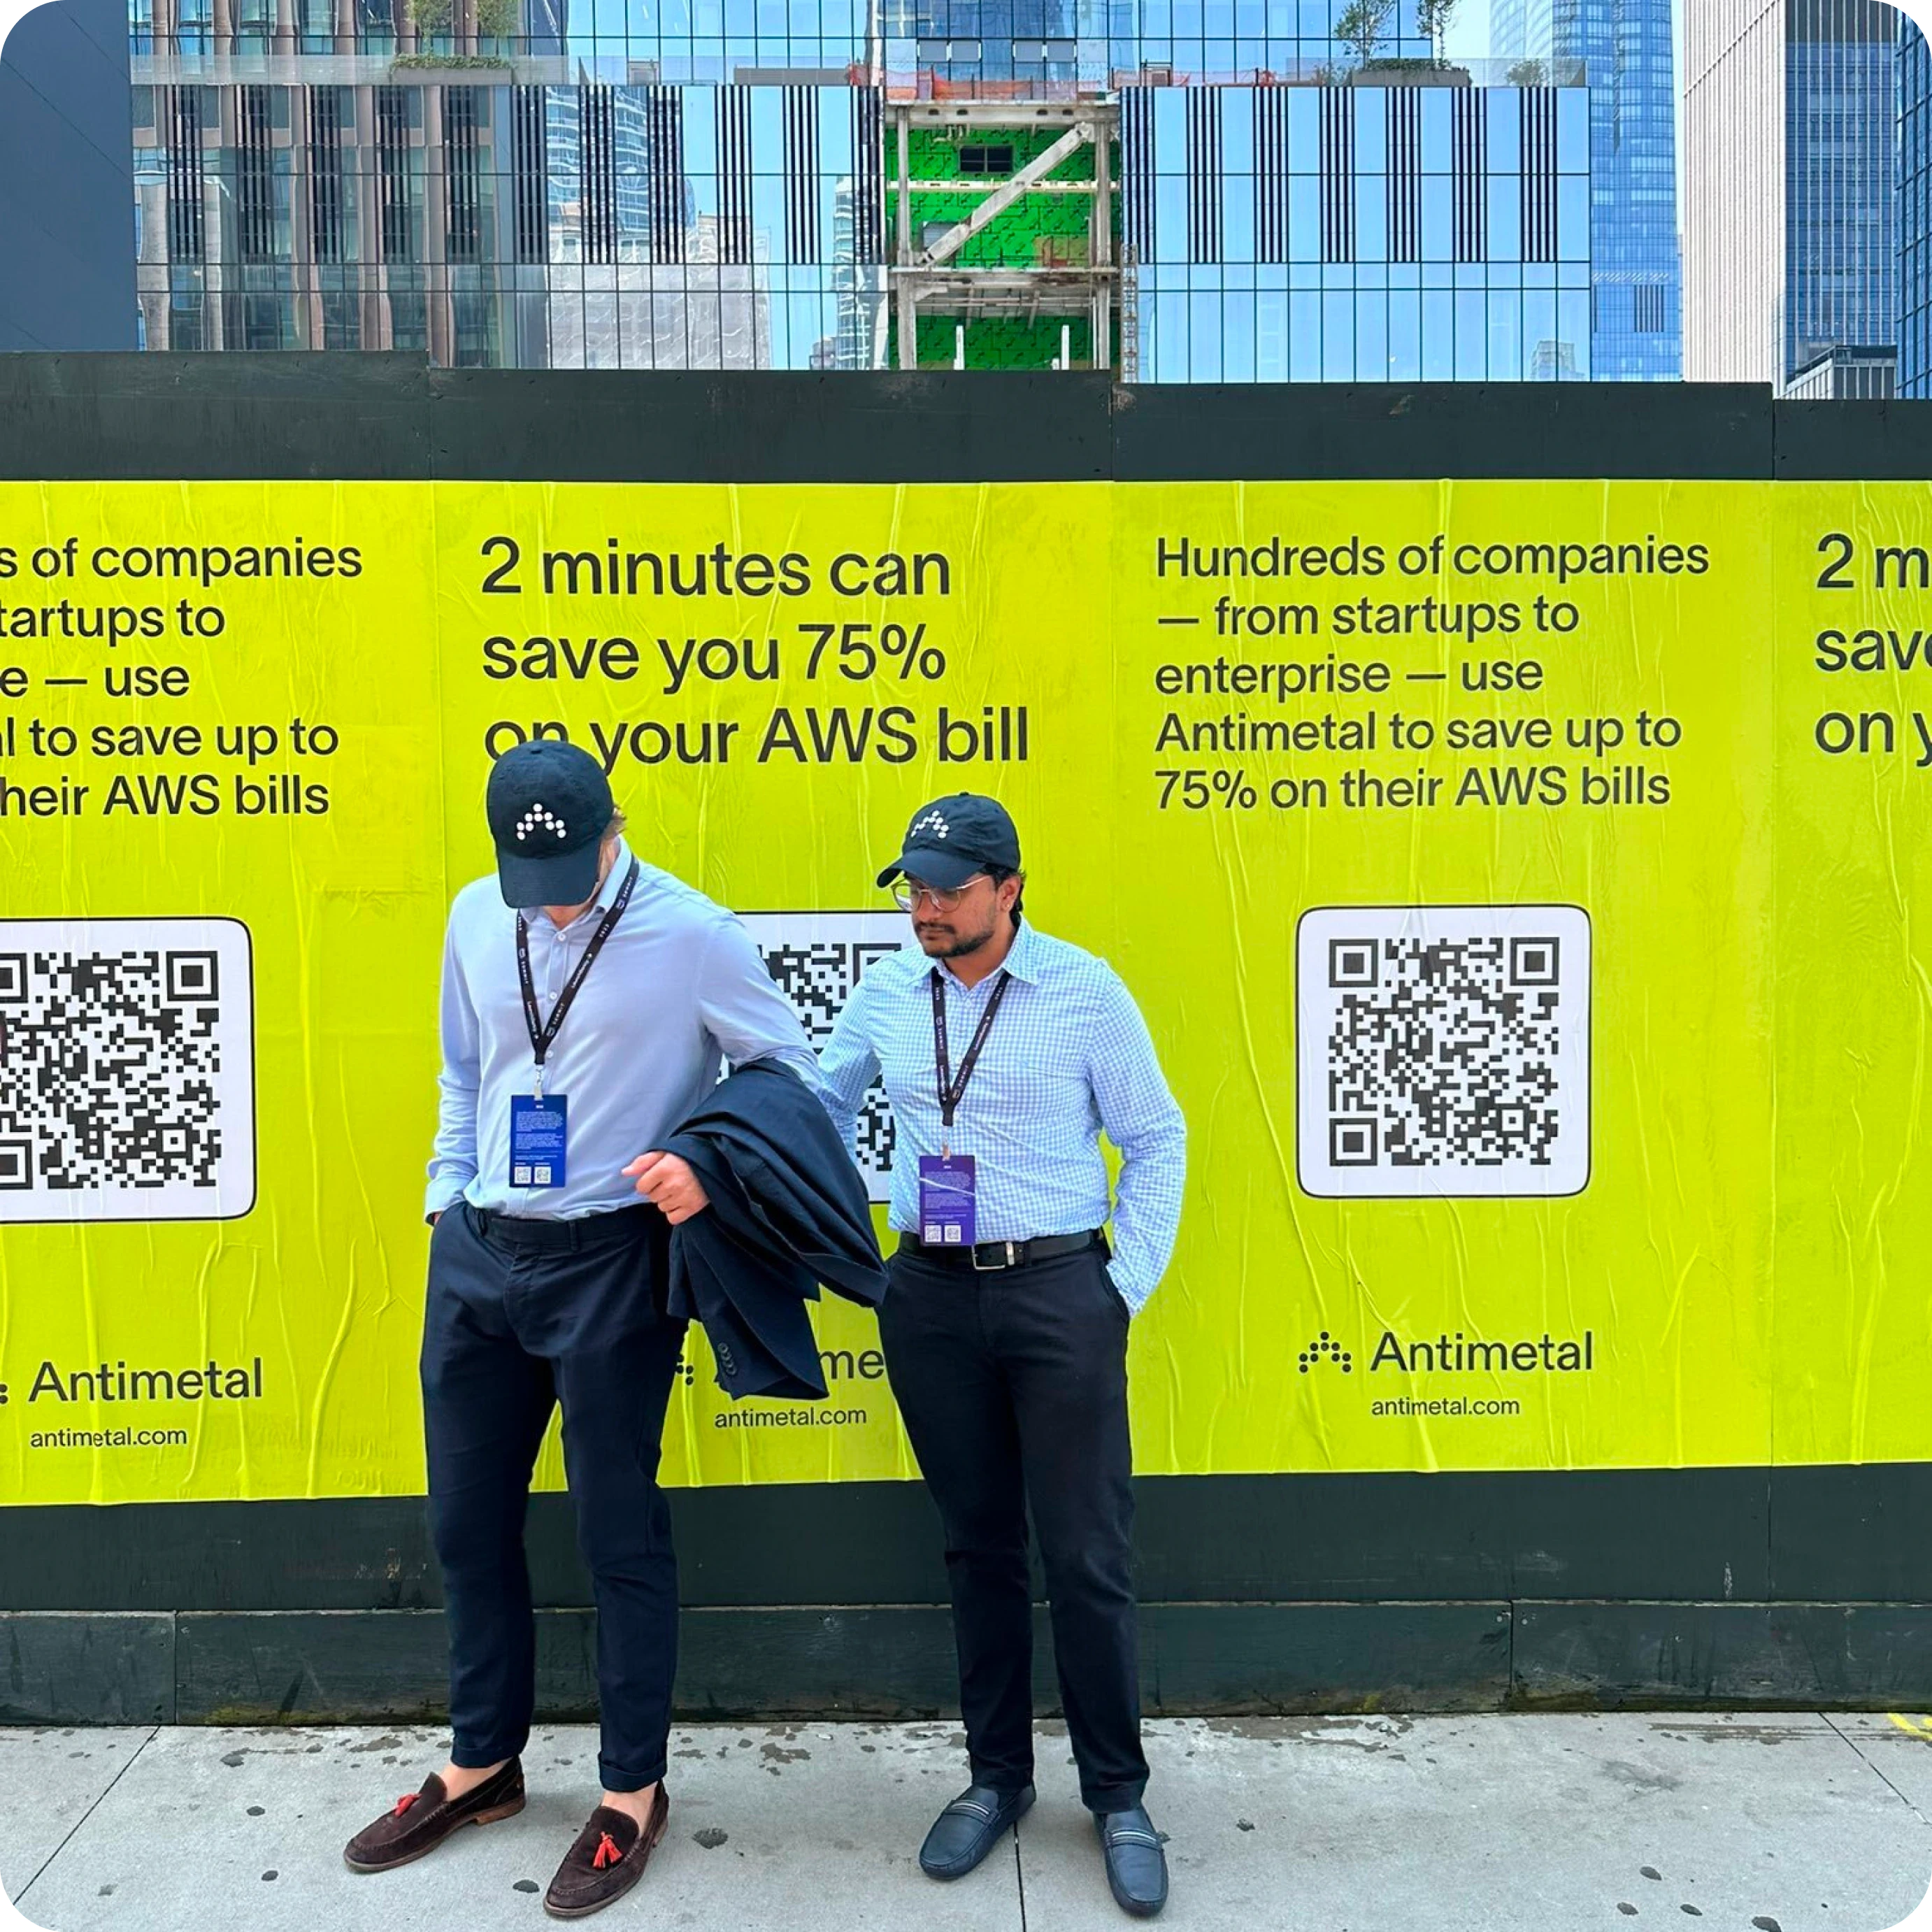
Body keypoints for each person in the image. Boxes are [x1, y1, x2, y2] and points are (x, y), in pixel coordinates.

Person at [343, 738, 820, 1921]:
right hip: (479, 1253)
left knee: (618, 1532)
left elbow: (790, 1074)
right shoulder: (473, 915)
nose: (548, 895)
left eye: (567, 866)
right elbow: (466, 1072)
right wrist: (445, 1195)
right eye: (524, 870)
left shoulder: (695, 932)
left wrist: (705, 1164)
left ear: (614, 828)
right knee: (464, 1523)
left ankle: (630, 1789)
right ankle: (481, 1764)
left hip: (612, 1259)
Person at [817, 792, 1187, 1920]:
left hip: (1056, 1290)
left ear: (1008, 888)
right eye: (913, 887)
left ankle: (1117, 1795)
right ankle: (996, 1780)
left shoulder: (1082, 989)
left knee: (1083, 1554)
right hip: (927, 1293)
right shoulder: (888, 993)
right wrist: (857, 1245)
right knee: (975, 1549)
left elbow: (1156, 1135)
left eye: (948, 887)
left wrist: (1116, 1291)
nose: (924, 906)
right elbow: (822, 1109)